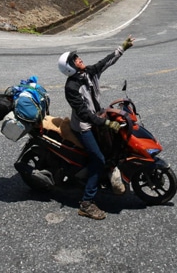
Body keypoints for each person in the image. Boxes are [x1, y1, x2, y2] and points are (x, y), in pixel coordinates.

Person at [58, 35, 134, 220]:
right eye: (75, 59)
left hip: (98, 119)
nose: (79, 59)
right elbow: (84, 114)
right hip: (84, 126)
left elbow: (105, 62)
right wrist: (106, 123)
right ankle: (86, 203)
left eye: (78, 57)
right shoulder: (71, 87)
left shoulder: (88, 73)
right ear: (70, 67)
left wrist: (122, 48)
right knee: (98, 160)